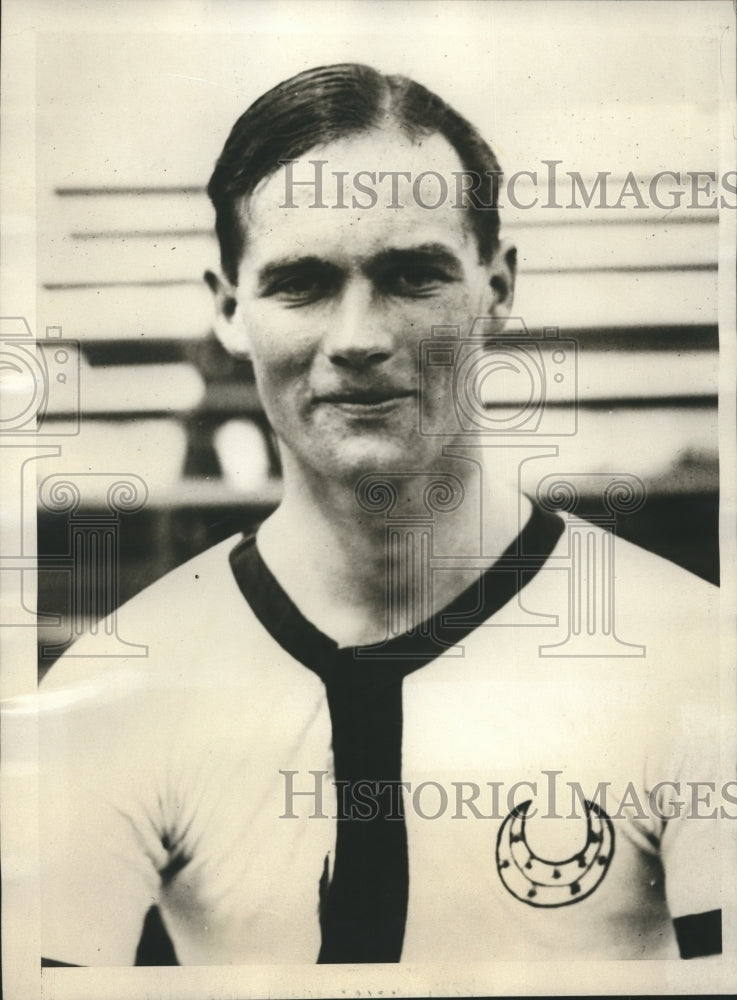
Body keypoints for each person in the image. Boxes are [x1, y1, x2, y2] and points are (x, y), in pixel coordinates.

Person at [39, 63, 724, 966]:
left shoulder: (696, 661)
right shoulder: (115, 692)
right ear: (227, 308)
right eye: (302, 283)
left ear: (498, 288)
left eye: (410, 276)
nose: (359, 337)